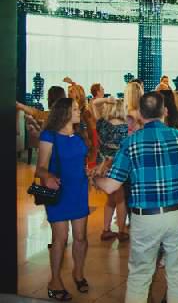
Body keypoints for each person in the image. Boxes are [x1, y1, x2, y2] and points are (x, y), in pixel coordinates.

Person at [95, 92, 178, 303]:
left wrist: (95, 179)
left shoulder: (130, 143)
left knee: (140, 276)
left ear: (140, 114)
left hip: (145, 217)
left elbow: (110, 186)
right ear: (165, 112)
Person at [35, 98, 90, 302]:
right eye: (74, 109)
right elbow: (40, 167)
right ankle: (55, 281)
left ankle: (78, 273)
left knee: (81, 237)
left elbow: (81, 163)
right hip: (58, 191)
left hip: (79, 190)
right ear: (64, 113)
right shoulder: (49, 135)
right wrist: (48, 177)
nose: (78, 111)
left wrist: (90, 173)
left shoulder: (79, 134)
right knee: (60, 238)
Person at [95, 98, 129, 242]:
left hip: (102, 164)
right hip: (118, 164)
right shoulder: (126, 128)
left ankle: (106, 229)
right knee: (121, 198)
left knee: (110, 198)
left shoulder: (102, 124)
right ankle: (121, 230)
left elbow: (94, 104)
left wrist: (106, 100)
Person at [67, 83, 98, 167]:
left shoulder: (85, 113)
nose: (69, 94)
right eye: (69, 92)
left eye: (71, 92)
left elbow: (92, 134)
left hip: (82, 151)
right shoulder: (68, 112)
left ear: (79, 96)